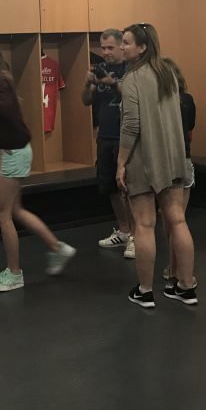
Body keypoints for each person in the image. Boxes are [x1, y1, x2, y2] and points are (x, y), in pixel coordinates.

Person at [0, 44, 76, 292]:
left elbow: (5, 108)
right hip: (12, 153)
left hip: (16, 153)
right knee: (15, 210)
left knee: (2, 213)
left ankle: (15, 273)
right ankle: (58, 248)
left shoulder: (1, 80)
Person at [116, 24, 197, 308]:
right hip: (174, 158)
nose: (121, 46)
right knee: (177, 219)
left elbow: (132, 126)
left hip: (144, 160)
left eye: (126, 42)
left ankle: (145, 290)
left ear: (142, 48)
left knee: (144, 224)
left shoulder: (131, 80)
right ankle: (186, 287)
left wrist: (120, 163)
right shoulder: (168, 76)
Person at [81, 28, 134, 258]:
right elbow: (86, 102)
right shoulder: (101, 69)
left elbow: (130, 98)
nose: (106, 52)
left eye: (110, 48)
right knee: (110, 187)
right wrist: (87, 84)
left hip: (126, 137)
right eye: (103, 48)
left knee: (129, 188)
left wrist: (113, 84)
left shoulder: (131, 69)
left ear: (121, 46)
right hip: (105, 136)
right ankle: (123, 231)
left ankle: (136, 236)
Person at [161, 57, 196, 289]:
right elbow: (190, 130)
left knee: (168, 222)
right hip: (185, 161)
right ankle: (183, 275)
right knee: (179, 220)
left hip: (164, 164)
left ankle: (174, 269)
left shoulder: (160, 104)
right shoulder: (187, 100)